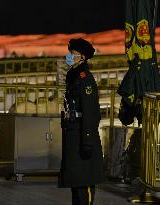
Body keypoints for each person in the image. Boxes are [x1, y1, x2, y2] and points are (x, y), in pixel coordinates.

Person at [59, 38, 104, 205]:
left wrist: (87, 139)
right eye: (70, 53)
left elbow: (90, 111)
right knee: (75, 180)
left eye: (73, 54)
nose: (69, 56)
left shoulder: (85, 79)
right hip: (73, 132)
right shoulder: (74, 76)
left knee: (83, 180)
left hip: (82, 134)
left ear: (83, 57)